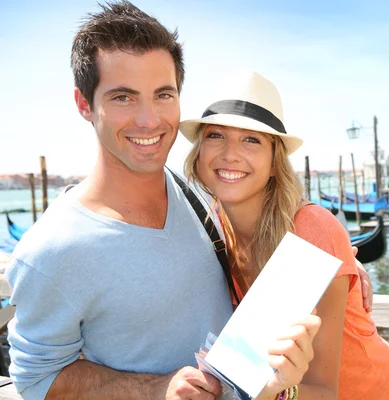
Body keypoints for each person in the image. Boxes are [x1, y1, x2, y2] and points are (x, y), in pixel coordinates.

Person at [6, 3, 324, 399]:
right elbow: (36, 379)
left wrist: (343, 265)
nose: (149, 120)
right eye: (123, 97)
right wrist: (156, 389)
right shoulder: (50, 251)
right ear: (84, 104)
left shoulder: (197, 194)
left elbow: (255, 236)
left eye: (163, 95)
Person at [180, 70, 389, 400]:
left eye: (251, 139)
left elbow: (325, 391)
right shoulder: (212, 228)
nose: (230, 153)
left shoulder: (309, 231)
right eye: (216, 136)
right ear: (199, 152)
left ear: (275, 162)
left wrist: (268, 394)